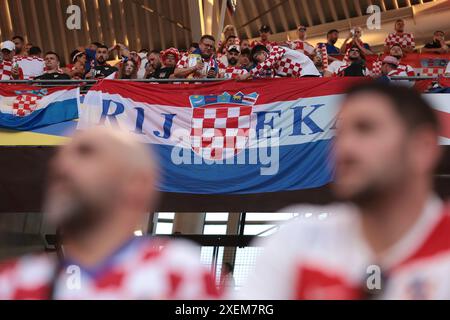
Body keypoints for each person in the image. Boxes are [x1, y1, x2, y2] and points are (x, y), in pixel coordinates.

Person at [239, 82, 449, 300]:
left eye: (365, 129)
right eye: (339, 133)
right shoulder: (296, 238)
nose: (344, 147)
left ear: (422, 147)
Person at [0, 127, 220, 300]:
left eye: (85, 152)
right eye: (59, 156)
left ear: (137, 184)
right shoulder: (15, 282)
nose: (61, 165)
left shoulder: (178, 275)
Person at [238, 44, 319, 80]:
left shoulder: (276, 49)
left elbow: (267, 63)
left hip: (308, 73)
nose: (258, 63)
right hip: (304, 76)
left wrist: (247, 75)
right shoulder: (275, 69)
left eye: (257, 58)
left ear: (263, 53)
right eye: (256, 62)